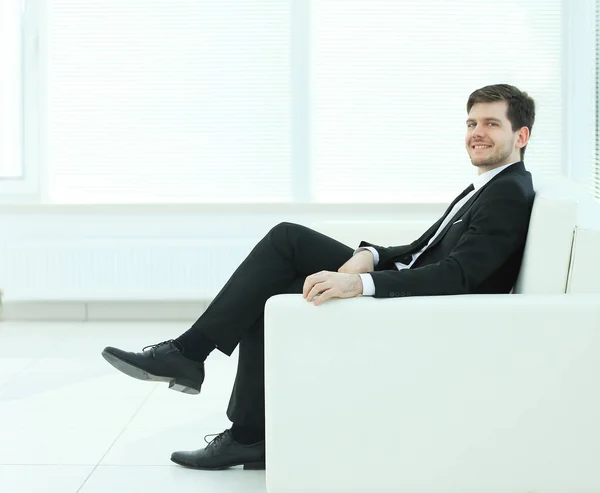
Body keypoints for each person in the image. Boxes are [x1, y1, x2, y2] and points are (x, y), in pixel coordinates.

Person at [102, 83, 536, 471]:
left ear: (521, 136)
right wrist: (372, 254)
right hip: (413, 287)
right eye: (471, 122)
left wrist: (360, 283)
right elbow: (426, 250)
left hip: (426, 312)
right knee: (279, 260)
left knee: (284, 251)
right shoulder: (490, 184)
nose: (476, 132)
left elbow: (459, 276)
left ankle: (204, 378)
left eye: (491, 124)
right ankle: (238, 425)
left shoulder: (509, 193)